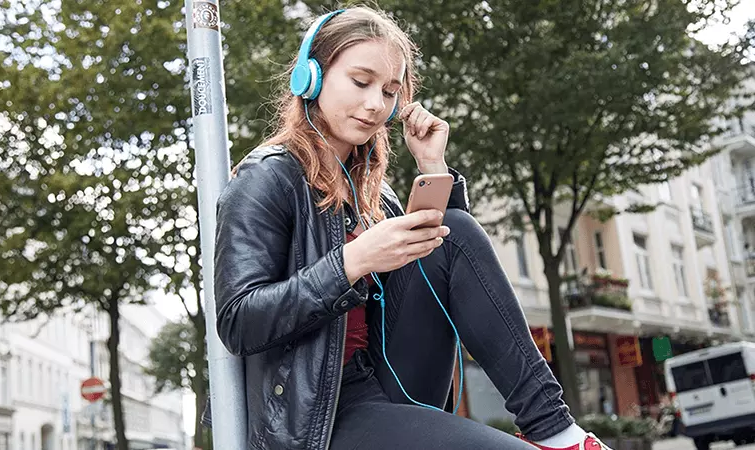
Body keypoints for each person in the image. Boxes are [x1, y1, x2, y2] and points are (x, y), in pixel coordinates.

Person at [208, 5, 613, 450]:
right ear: (311, 77)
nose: (374, 105)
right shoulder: (267, 176)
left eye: (388, 92)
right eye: (360, 82)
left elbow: (452, 268)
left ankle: (556, 430)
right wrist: (353, 261)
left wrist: (432, 167)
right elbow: (238, 321)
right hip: (319, 417)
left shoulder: (377, 197)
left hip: (392, 383)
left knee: (452, 229)